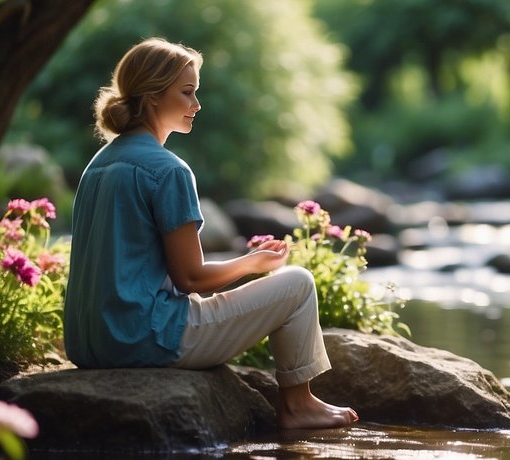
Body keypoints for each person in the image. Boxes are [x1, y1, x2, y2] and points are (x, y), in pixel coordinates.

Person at [63, 37, 358, 430]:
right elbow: (191, 279)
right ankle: (298, 405)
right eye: (187, 93)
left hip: (89, 344)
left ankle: (301, 404)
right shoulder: (169, 170)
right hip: (145, 339)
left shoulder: (97, 165)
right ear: (152, 97)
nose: (196, 105)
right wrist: (252, 263)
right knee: (298, 284)